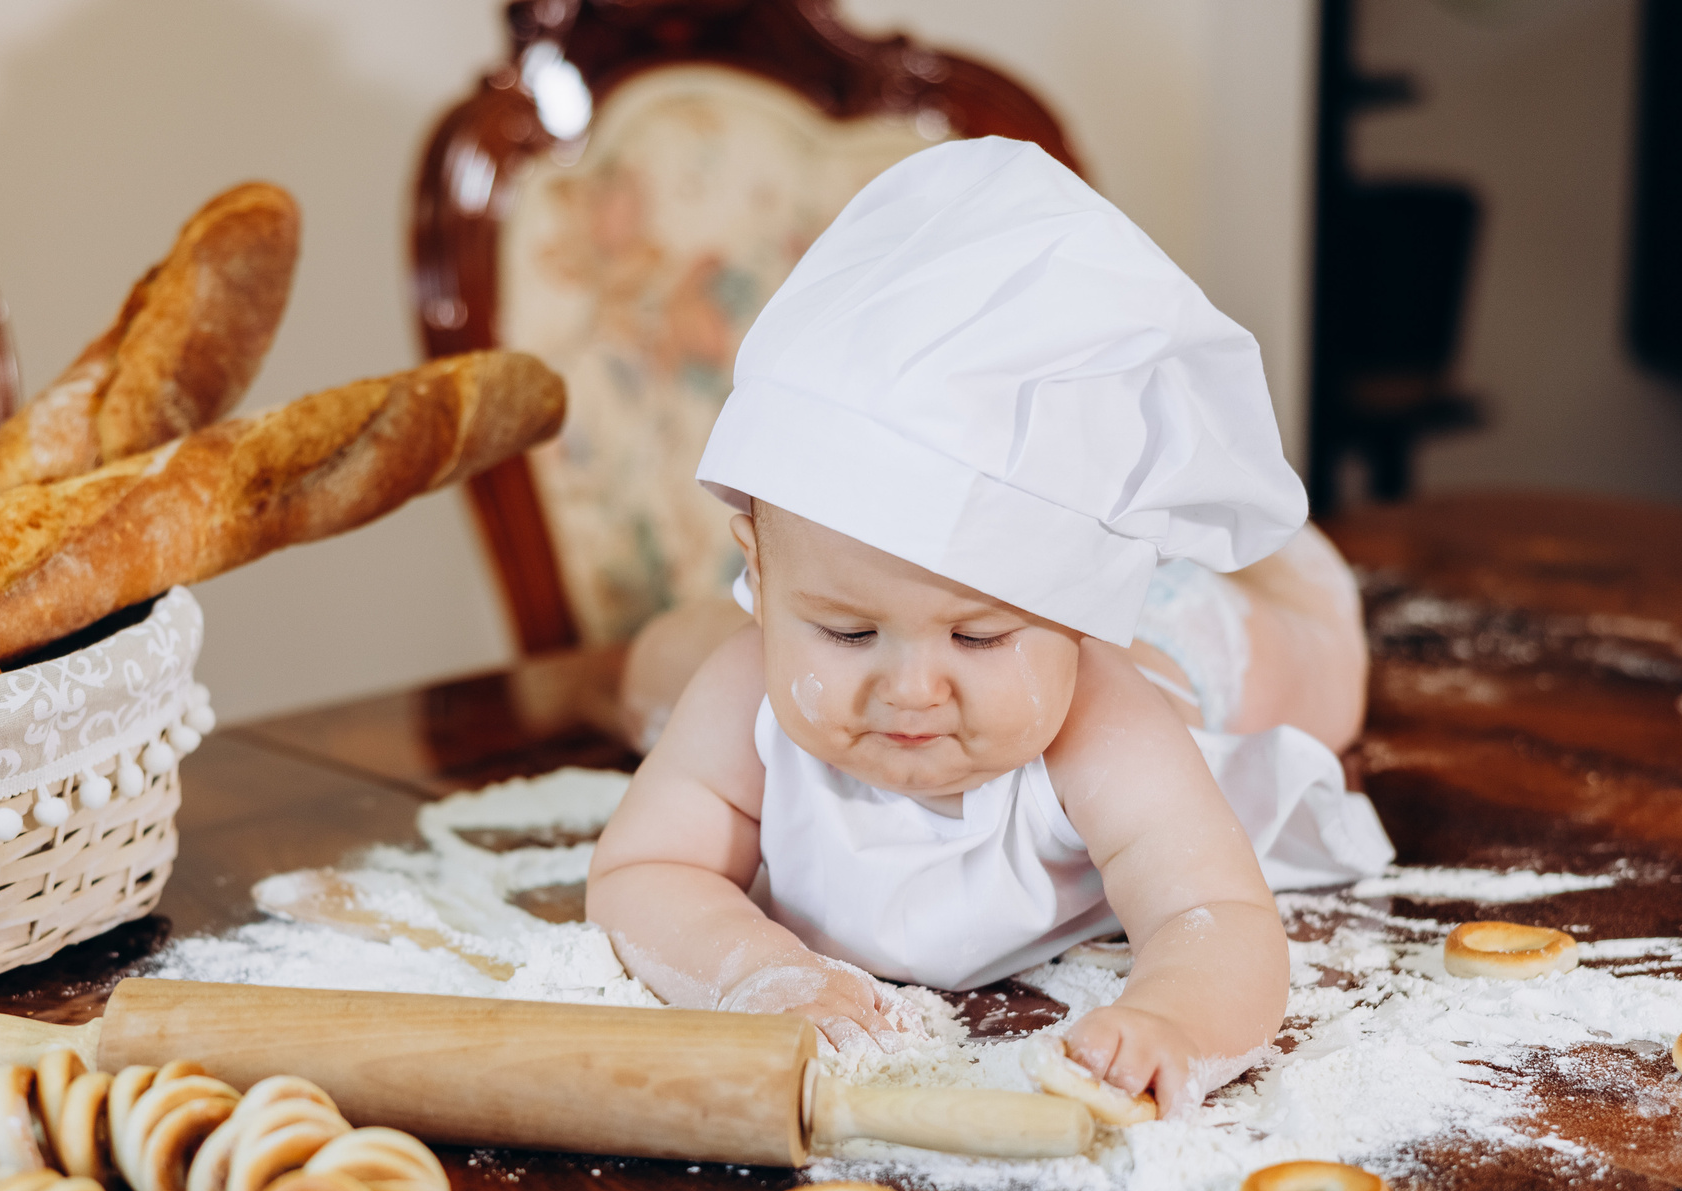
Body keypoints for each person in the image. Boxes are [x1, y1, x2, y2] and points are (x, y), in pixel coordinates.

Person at [584, 140, 1392, 1116]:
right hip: (915, 613)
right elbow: (642, 872)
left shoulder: (1104, 721)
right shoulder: (744, 690)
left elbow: (1213, 913)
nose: (913, 688)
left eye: (976, 638)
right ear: (755, 573)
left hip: (1175, 647)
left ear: (1072, 618)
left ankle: (1294, 567)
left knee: (1314, 674)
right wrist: (757, 971)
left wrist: (1174, 1020)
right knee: (661, 672)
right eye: (846, 633)